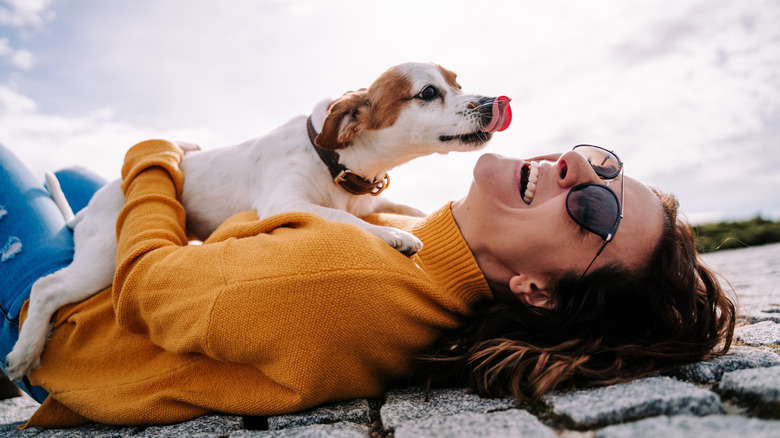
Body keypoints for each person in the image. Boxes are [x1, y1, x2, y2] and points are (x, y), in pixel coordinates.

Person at [0, 140, 735, 428]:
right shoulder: (426, 241)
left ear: (536, 290)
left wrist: (157, 157)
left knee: (20, 169)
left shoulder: (345, 280)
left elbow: (150, 290)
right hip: (115, 280)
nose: (577, 170)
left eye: (593, 209)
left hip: (69, 330)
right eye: (601, 164)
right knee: (74, 181)